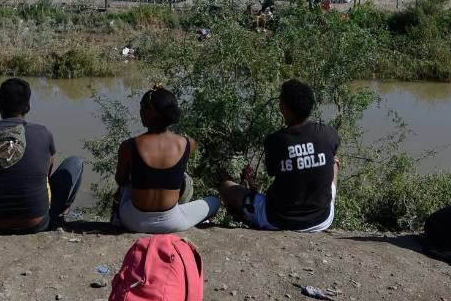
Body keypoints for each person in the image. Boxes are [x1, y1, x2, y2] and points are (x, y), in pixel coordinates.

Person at [220, 80, 339, 232]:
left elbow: (272, 171)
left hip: (278, 220)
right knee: (334, 161)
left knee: (227, 187)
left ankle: (253, 223)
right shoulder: (328, 133)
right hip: (321, 220)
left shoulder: (274, 141)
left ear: (284, 107)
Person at [0, 78, 83, 233]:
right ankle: (61, 214)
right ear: (28, 106)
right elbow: (47, 172)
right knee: (75, 162)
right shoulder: (43, 133)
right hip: (36, 223)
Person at [111, 86, 219, 233]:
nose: (140, 111)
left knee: (127, 184)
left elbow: (120, 180)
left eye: (142, 107)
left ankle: (116, 219)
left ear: (151, 112)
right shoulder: (188, 144)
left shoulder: (128, 146)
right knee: (214, 201)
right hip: (172, 222)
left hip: (134, 222)